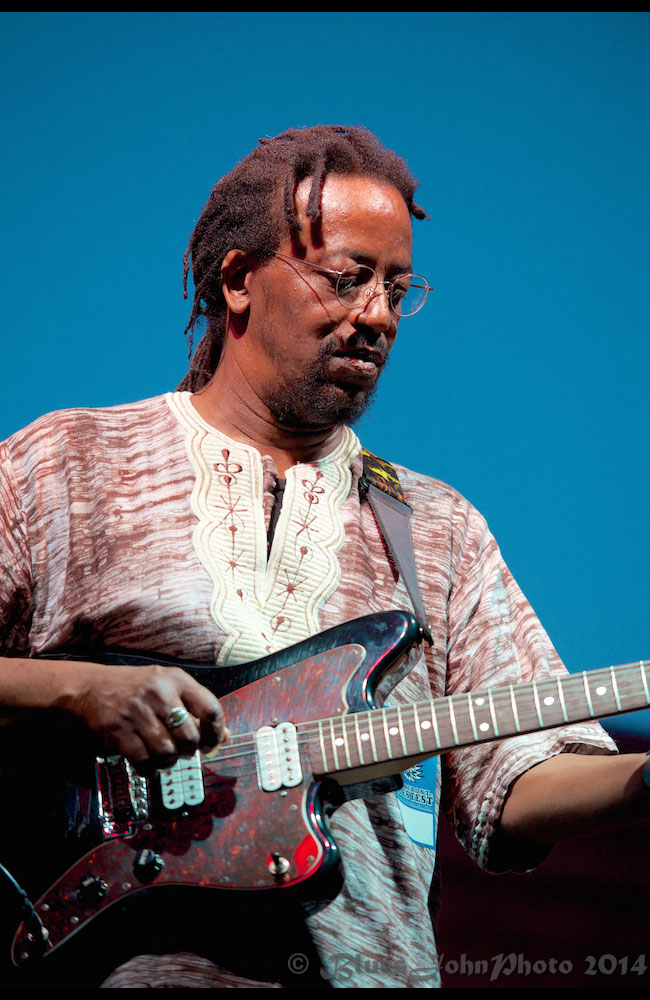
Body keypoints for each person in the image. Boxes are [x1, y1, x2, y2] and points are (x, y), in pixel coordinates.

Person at [0, 125, 647, 989]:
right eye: (347, 279)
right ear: (238, 280)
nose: (377, 314)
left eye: (397, 289)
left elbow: (520, 782)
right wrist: (75, 689)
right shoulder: (68, 467)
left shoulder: (438, 528)